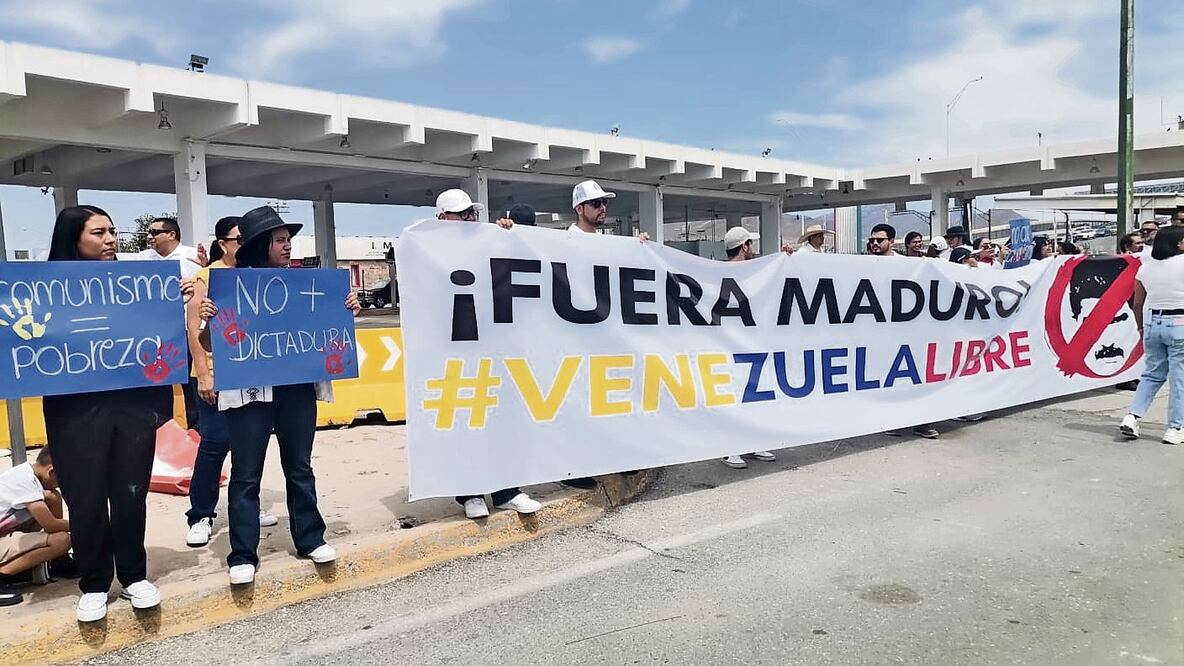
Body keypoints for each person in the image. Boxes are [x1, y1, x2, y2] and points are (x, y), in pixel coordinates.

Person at [45, 205, 201, 622]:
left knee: (131, 493)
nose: (111, 239)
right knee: (86, 498)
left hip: (132, 406)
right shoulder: (45, 290)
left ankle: (134, 576)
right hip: (74, 411)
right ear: (73, 238)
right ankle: (94, 583)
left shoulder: (135, 284)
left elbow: (158, 337)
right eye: (99, 233)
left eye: (113, 231)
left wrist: (175, 302)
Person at [215, 206, 361, 586]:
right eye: (280, 240)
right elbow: (204, 340)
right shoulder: (229, 287)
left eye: (288, 239)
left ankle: (311, 538)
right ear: (261, 245)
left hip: (296, 388)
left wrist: (345, 309)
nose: (288, 246)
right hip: (249, 393)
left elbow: (327, 327)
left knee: (299, 465)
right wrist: (208, 316)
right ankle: (243, 553)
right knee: (246, 475)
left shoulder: (304, 286)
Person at [434, 190, 544, 519]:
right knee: (466, 420)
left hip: (492, 348)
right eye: (460, 213)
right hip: (454, 350)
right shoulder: (426, 251)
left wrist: (508, 236)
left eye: (471, 213)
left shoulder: (488, 244)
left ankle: (505, 489)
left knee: (500, 420)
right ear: (442, 218)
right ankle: (470, 493)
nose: (469, 218)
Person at [184, 217, 278, 547]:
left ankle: (247, 508)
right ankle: (200, 514)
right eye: (239, 239)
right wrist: (205, 375)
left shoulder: (258, 275)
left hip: (252, 375)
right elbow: (195, 331)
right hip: (217, 375)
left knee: (250, 446)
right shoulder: (204, 277)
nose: (245, 245)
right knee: (213, 446)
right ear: (223, 243)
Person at [719, 226, 779, 469]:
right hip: (729, 345)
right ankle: (728, 448)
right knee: (733, 396)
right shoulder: (720, 273)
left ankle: (753, 442)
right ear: (744, 247)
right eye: (750, 244)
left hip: (753, 344)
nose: (753, 249)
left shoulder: (755, 271)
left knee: (754, 395)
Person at [1120, 225, 1184, 444]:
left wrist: (1140, 328)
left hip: (1153, 322)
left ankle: (1133, 416)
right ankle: (1175, 427)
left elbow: (1137, 304)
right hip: (1180, 322)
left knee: (1152, 374)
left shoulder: (1145, 268)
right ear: (1178, 243)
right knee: (1179, 379)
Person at [0, 447, 71, 608]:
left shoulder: (27, 473)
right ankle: (3, 576)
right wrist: (87, 524)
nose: (62, 485)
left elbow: (51, 502)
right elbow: (51, 525)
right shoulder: (24, 482)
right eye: (63, 480)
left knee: (52, 497)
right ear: (51, 472)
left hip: (5, 532)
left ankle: (59, 561)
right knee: (61, 540)